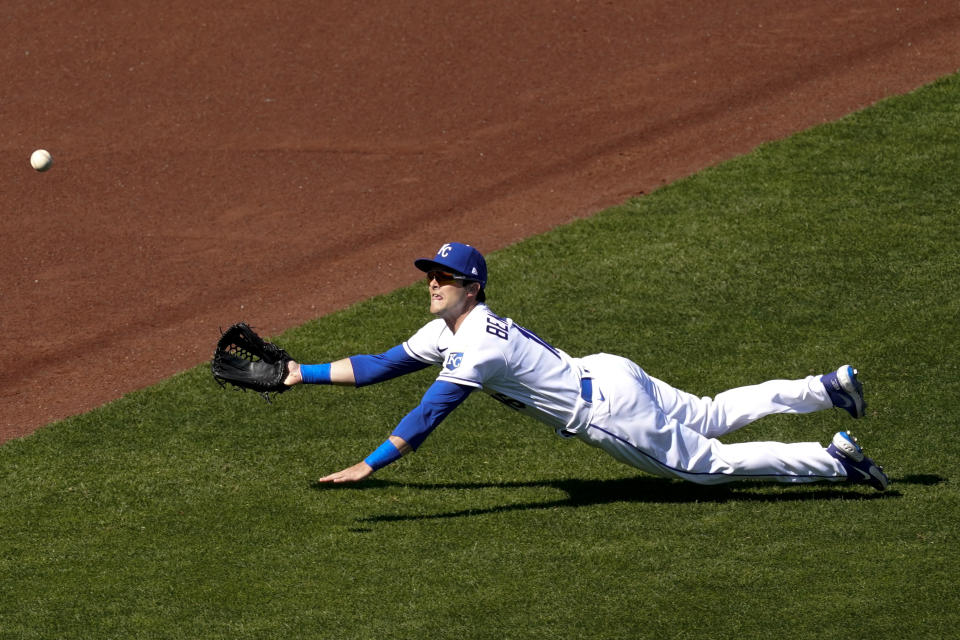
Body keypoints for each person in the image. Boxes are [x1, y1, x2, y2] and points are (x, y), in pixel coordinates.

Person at [283, 242, 889, 491]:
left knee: (711, 467)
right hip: (610, 372)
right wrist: (299, 374)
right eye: (430, 276)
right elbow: (381, 366)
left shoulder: (474, 346)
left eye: (444, 278)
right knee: (709, 413)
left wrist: (369, 464)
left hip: (606, 411)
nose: (432, 283)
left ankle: (834, 461)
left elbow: (429, 412)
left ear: (474, 288)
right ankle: (825, 388)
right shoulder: (451, 329)